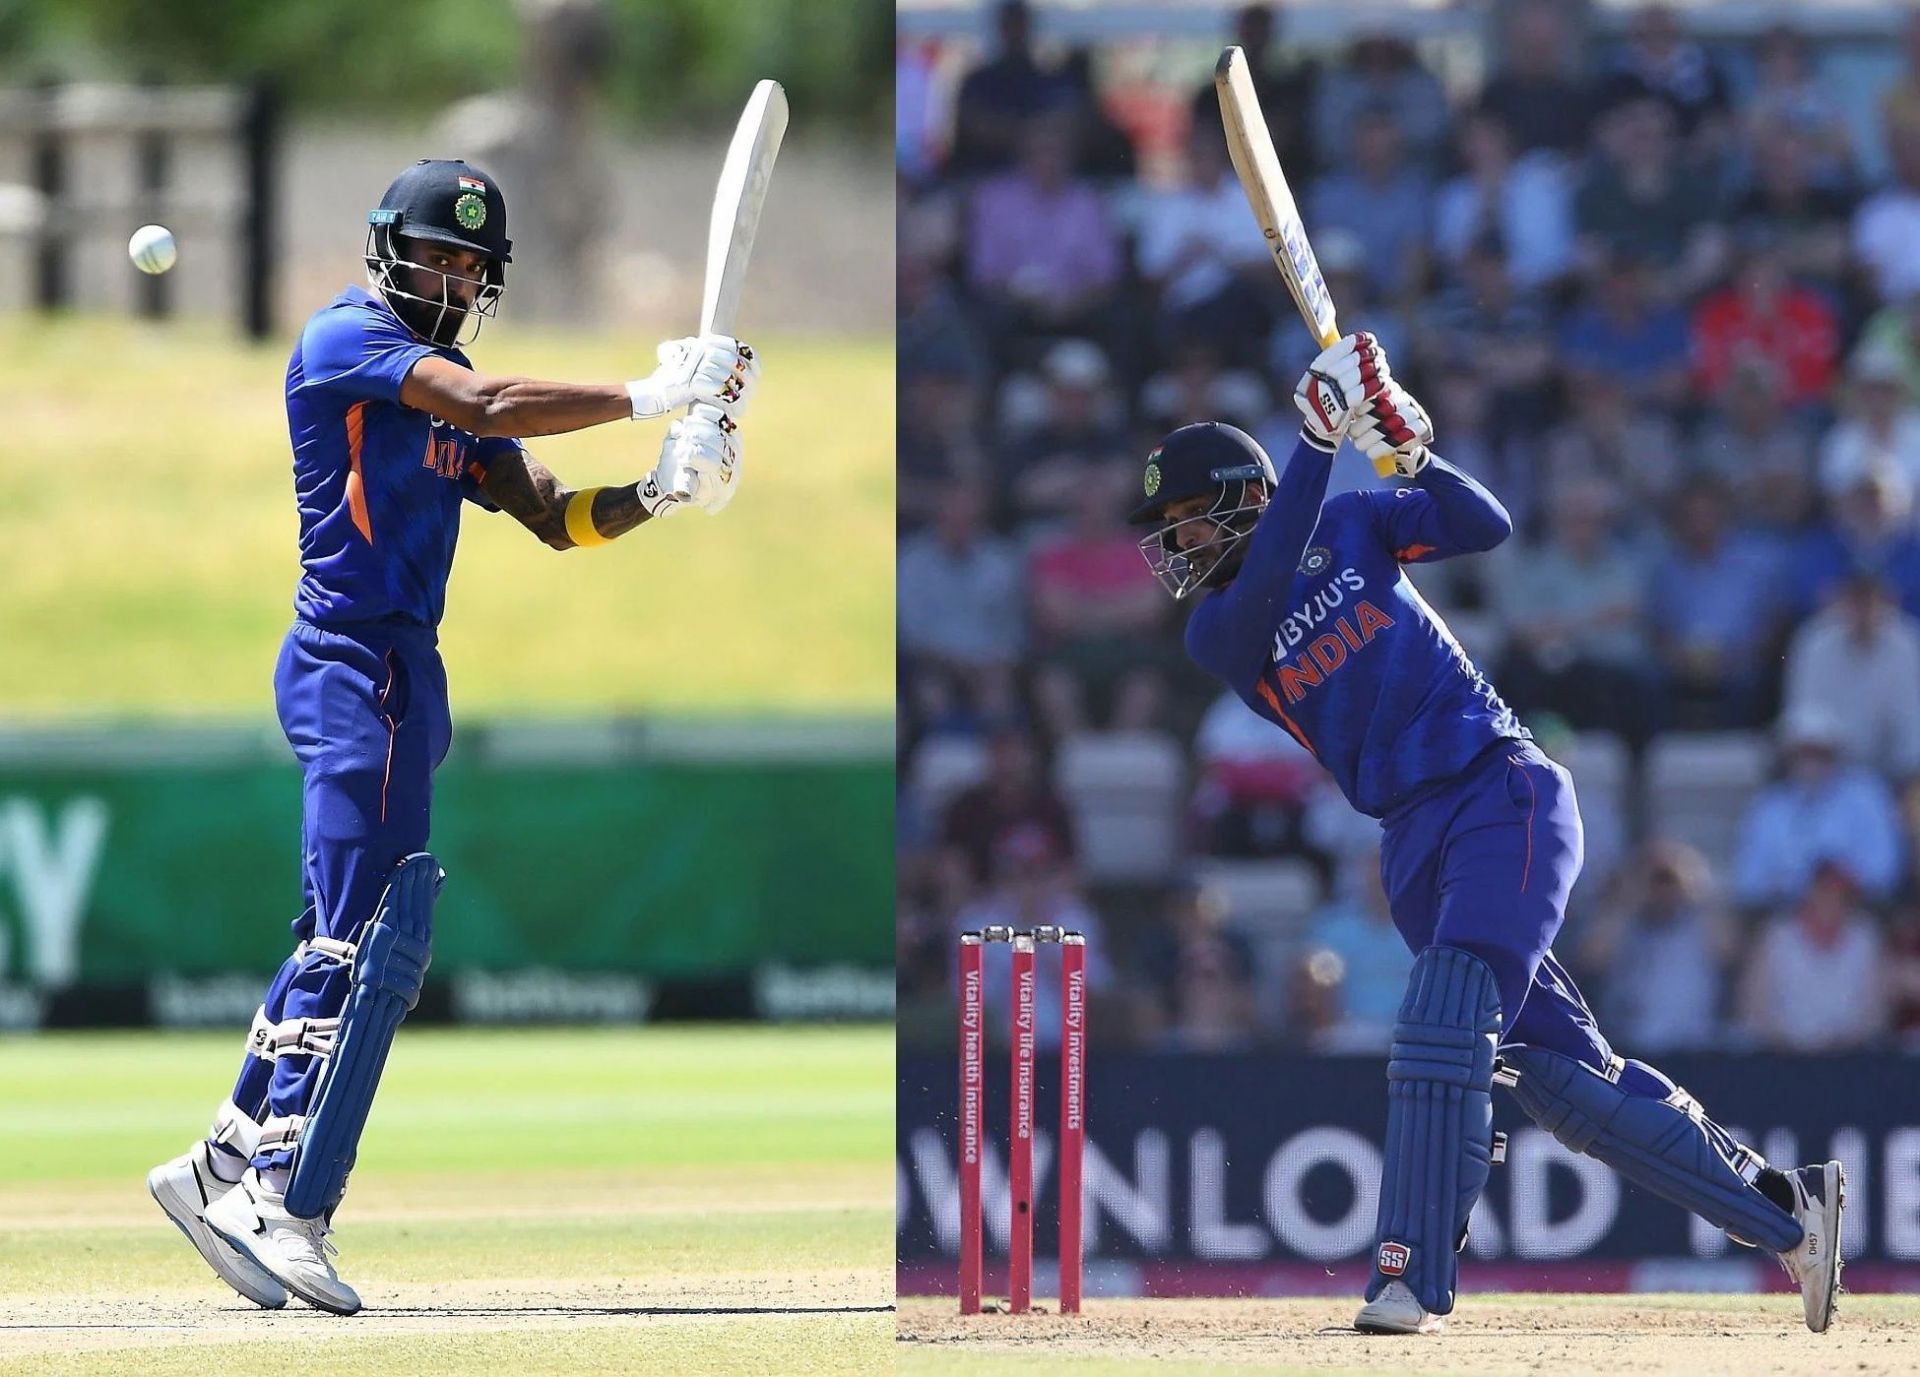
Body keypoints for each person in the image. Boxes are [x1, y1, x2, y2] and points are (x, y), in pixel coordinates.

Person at [1126, 332, 1844, 1337]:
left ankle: (1410, 1275)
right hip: (1412, 847)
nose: (1177, 548)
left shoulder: (1355, 526)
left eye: (1188, 524)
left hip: (1501, 796)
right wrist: (1318, 440)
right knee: (1569, 1090)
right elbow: (1260, 600)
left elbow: (1485, 522)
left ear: (1243, 499)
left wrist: (1413, 451)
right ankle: (1791, 1215)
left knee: (1444, 1017)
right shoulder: (1218, 629)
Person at [144, 160, 759, 1314]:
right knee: (367, 937)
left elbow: (555, 518)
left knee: (341, 927)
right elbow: (484, 406)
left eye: (473, 265)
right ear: (388, 251)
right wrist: (649, 388)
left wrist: (663, 490)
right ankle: (284, 1202)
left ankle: (221, 1158)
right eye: (438, 255)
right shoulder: (350, 344)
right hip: (346, 664)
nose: (455, 276)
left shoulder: (455, 385)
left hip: (404, 673)